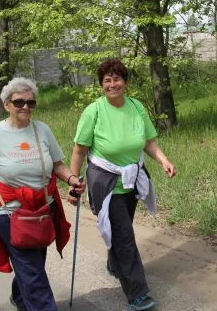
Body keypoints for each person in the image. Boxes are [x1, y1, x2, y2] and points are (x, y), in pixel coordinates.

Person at [68, 58, 178, 311]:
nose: (112, 84)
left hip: (131, 179)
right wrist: (74, 182)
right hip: (105, 182)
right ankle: (137, 294)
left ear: (125, 83)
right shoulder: (93, 111)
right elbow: (79, 150)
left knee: (121, 228)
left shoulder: (136, 107)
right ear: (101, 85)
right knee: (124, 236)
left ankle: (114, 264)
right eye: (107, 80)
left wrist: (164, 160)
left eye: (117, 79)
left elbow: (148, 141)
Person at [0, 77, 85, 311]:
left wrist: (73, 179)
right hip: (9, 212)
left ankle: (21, 297)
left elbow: (57, 165)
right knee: (32, 269)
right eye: (19, 102)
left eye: (31, 103)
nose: (25, 107)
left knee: (33, 264)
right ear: (6, 104)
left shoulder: (42, 129)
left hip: (42, 209)